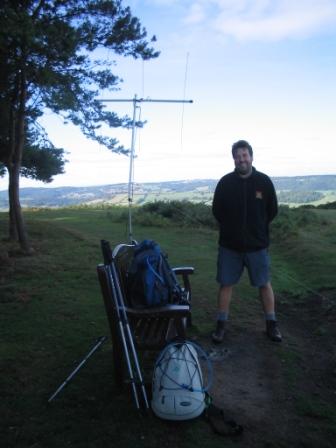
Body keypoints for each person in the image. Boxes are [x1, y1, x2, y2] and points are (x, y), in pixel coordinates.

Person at [212, 139, 282, 343]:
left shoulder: (264, 182)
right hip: (229, 246)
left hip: (257, 246)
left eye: (244, 155)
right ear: (233, 159)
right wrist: (231, 230)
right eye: (237, 156)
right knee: (225, 284)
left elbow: (272, 210)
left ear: (251, 156)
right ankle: (221, 326)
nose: (241, 159)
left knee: (264, 284)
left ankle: (272, 325)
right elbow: (217, 211)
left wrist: (257, 229)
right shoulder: (225, 182)